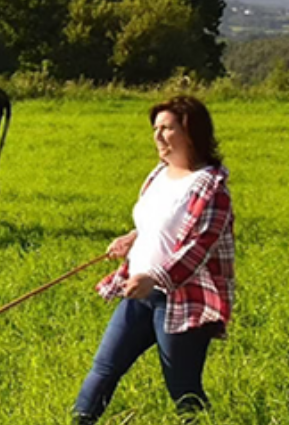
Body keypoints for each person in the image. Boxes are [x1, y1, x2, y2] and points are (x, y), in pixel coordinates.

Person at [72, 96, 235, 424]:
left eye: (167, 128)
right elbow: (160, 223)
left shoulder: (212, 188)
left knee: (183, 388)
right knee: (104, 368)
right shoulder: (159, 174)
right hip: (139, 292)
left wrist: (155, 277)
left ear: (190, 132)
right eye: (155, 128)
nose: (158, 136)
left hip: (181, 300)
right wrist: (132, 238)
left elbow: (198, 247)